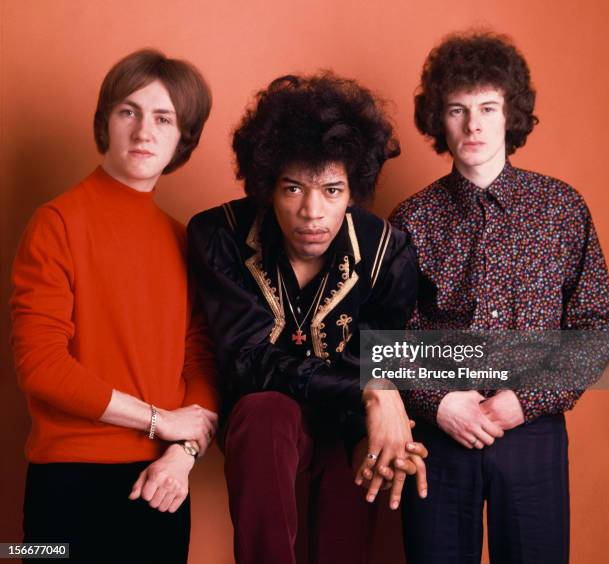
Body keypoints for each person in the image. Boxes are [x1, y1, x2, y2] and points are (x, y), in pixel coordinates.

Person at [187, 72, 428, 564]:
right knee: (265, 412)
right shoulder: (220, 235)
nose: (312, 212)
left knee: (351, 509)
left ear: (354, 190)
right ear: (266, 186)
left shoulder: (388, 250)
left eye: (332, 190)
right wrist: (370, 390)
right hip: (261, 425)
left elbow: (380, 354)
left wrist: (377, 431)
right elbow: (248, 360)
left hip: (342, 426)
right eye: (293, 188)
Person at [390, 31, 609, 564]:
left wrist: (525, 400)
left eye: (488, 107)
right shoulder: (411, 219)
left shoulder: (561, 208)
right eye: (457, 110)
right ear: (438, 121)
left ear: (510, 114)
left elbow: (597, 329)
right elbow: (383, 341)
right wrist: (438, 402)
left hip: (533, 434)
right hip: (437, 440)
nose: (473, 125)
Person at [10, 49, 218, 564]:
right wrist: (157, 422)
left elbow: (202, 362)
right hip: (67, 481)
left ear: (182, 138)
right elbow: (41, 366)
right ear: (106, 121)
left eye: (163, 118)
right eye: (129, 111)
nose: (145, 130)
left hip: (163, 483)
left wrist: (183, 454)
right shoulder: (56, 223)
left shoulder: (183, 240)